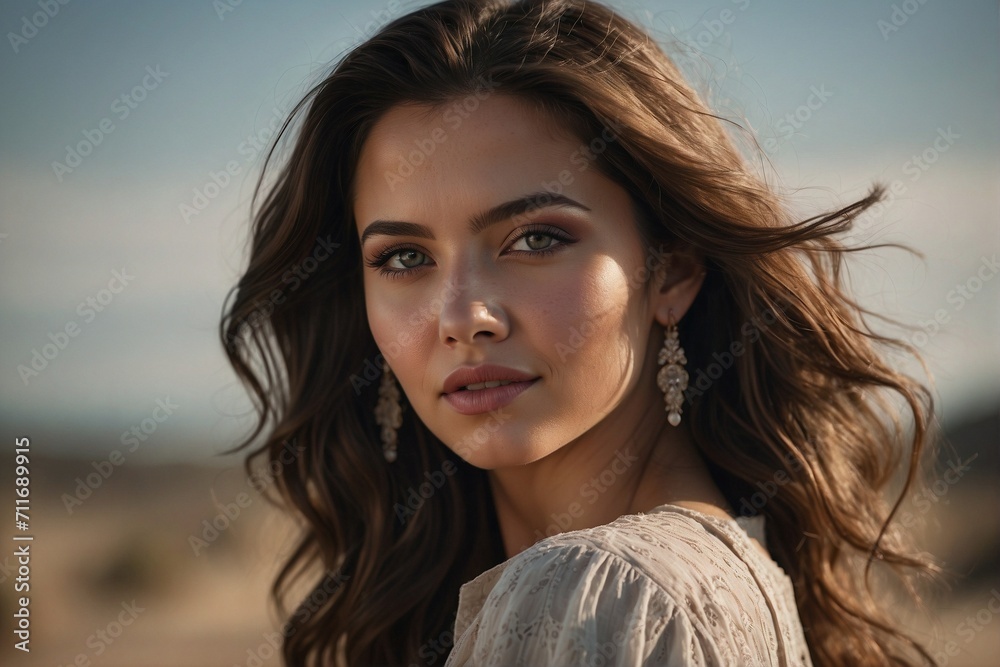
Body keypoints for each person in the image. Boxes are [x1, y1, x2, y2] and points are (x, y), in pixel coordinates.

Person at [219, 0, 943, 665]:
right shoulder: (721, 567)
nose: (462, 315)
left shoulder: (603, 593)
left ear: (672, 270)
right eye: (404, 257)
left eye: (534, 239)